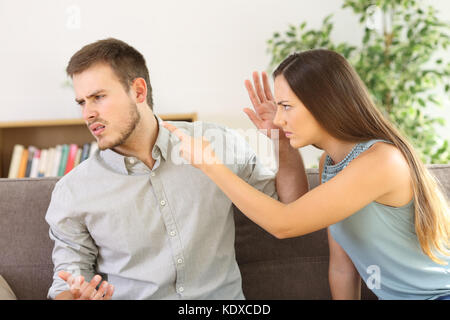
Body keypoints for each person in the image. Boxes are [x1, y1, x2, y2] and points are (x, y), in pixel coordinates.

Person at [163, 49, 450, 300]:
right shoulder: (332, 163)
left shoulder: (381, 162)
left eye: (286, 106)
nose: (278, 118)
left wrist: (211, 165)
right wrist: (281, 141)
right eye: (278, 107)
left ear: (324, 103)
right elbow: (342, 265)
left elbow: (284, 223)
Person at [45, 38, 307, 300]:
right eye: (81, 102)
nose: (87, 114)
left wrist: (282, 140)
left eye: (98, 97)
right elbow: (67, 280)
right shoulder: (74, 191)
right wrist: (73, 296)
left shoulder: (216, 145)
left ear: (138, 91)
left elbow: (291, 208)